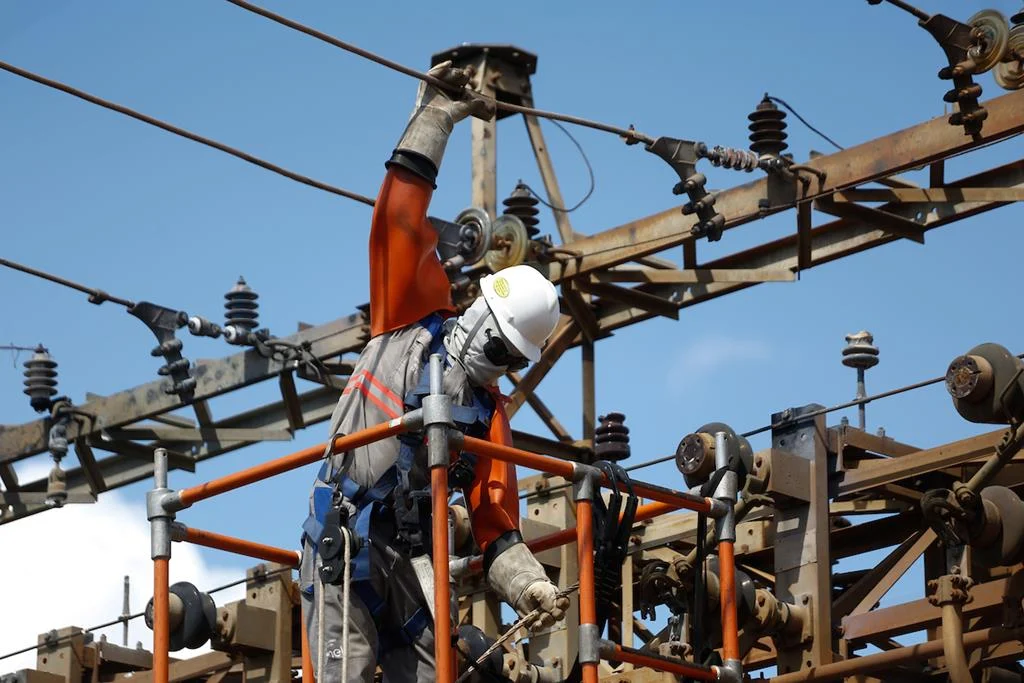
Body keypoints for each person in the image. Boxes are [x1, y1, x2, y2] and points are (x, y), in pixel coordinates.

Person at [299, 61, 570, 683]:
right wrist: (435, 118)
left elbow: (495, 527)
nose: (492, 359)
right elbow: (397, 218)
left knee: (435, 671)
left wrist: (528, 585)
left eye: (507, 356)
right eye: (493, 341)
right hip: (344, 545)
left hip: (410, 564)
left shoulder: (488, 416)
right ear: (477, 308)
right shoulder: (407, 324)